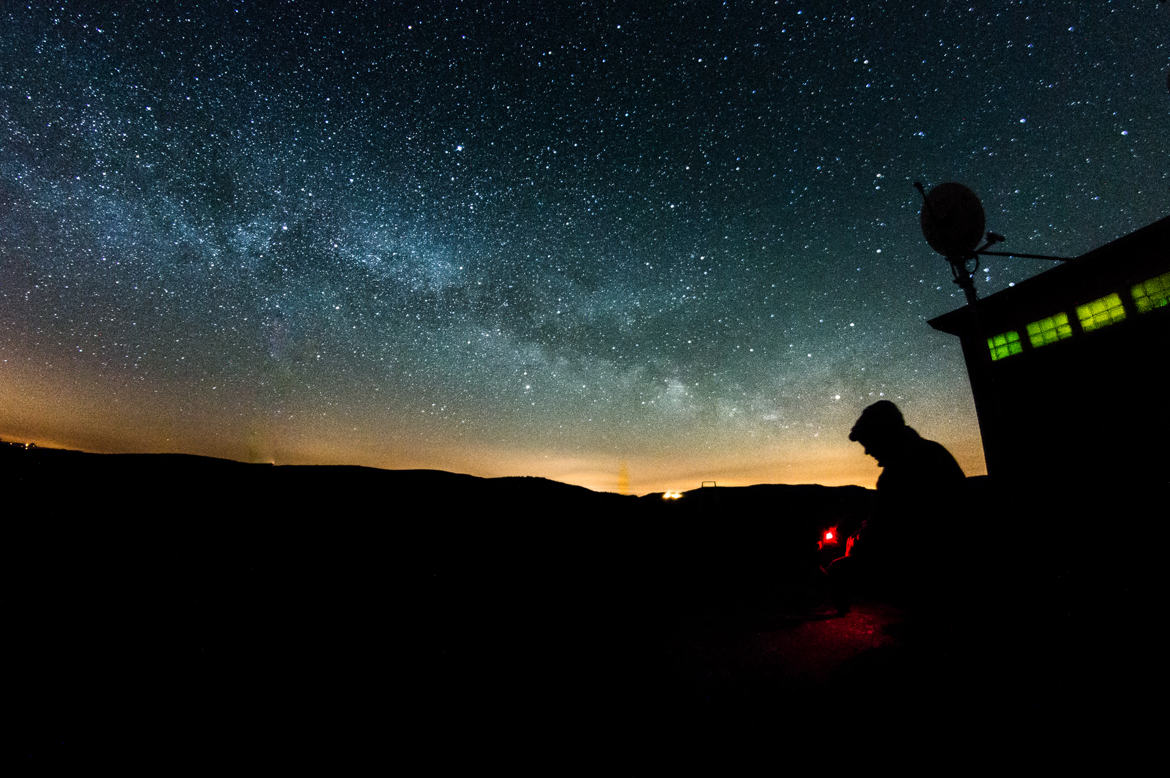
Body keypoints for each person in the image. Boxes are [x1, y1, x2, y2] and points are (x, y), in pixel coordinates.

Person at [827, 400, 966, 614]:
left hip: (931, 566)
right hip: (950, 555)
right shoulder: (933, 451)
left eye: (868, 442)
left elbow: (884, 534)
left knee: (838, 569)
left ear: (883, 436)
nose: (866, 452)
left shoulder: (899, 472)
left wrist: (853, 550)